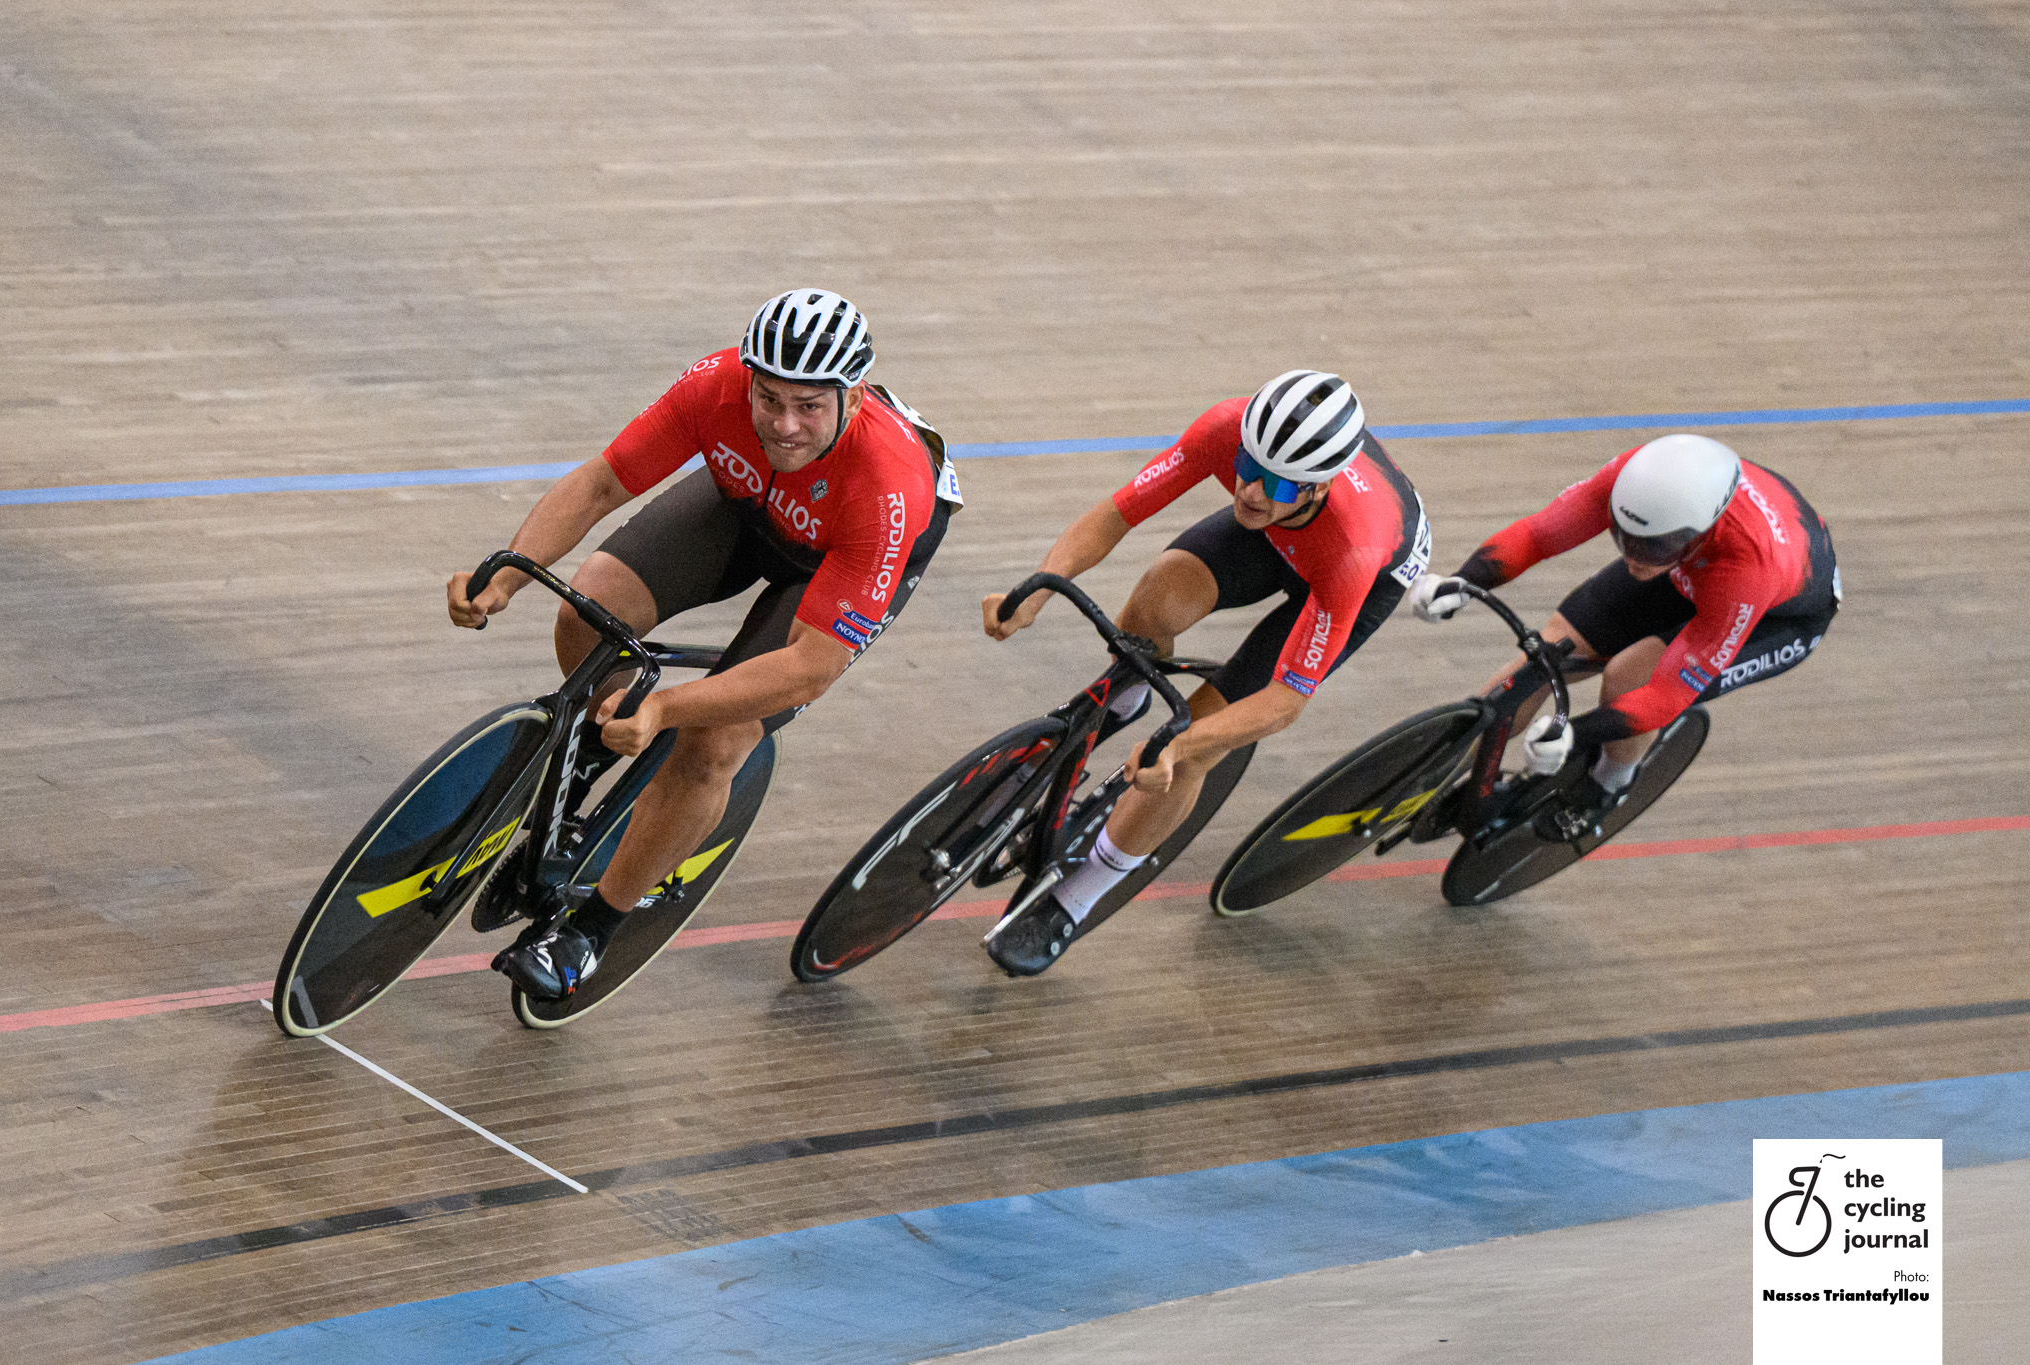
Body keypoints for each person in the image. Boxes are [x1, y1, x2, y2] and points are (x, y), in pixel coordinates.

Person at [447, 289, 962, 999]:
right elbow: (601, 483)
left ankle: (591, 931)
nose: (784, 424)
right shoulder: (714, 388)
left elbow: (809, 667)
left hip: (838, 556)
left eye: (810, 406)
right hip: (750, 505)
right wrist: (509, 571)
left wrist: (668, 708)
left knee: (714, 742)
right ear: (746, 379)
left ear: (855, 397)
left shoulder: (890, 485)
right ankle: (599, 743)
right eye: (770, 398)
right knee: (588, 607)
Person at [981, 369, 1431, 975]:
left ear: (1317, 487)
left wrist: (1179, 743)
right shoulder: (1228, 432)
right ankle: (1129, 695)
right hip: (1285, 535)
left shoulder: (1354, 543)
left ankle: (1074, 900)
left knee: (1193, 751)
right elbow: (1118, 513)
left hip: (1355, 570)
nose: (1250, 489)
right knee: (1155, 599)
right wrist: (1040, 587)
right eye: (1249, 465)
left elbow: (1284, 700)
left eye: (1277, 482)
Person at [1406, 433, 1839, 837]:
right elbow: (1540, 535)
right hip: (1688, 571)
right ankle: (1428, 773)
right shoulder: (1634, 484)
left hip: (1774, 616)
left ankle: (1610, 784)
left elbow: (1666, 694)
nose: (1632, 557)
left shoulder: (1748, 567)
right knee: (1545, 657)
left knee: (1628, 677)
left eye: (1651, 546)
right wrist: (1461, 582)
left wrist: (1572, 731)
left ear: (1700, 531)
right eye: (1623, 536)